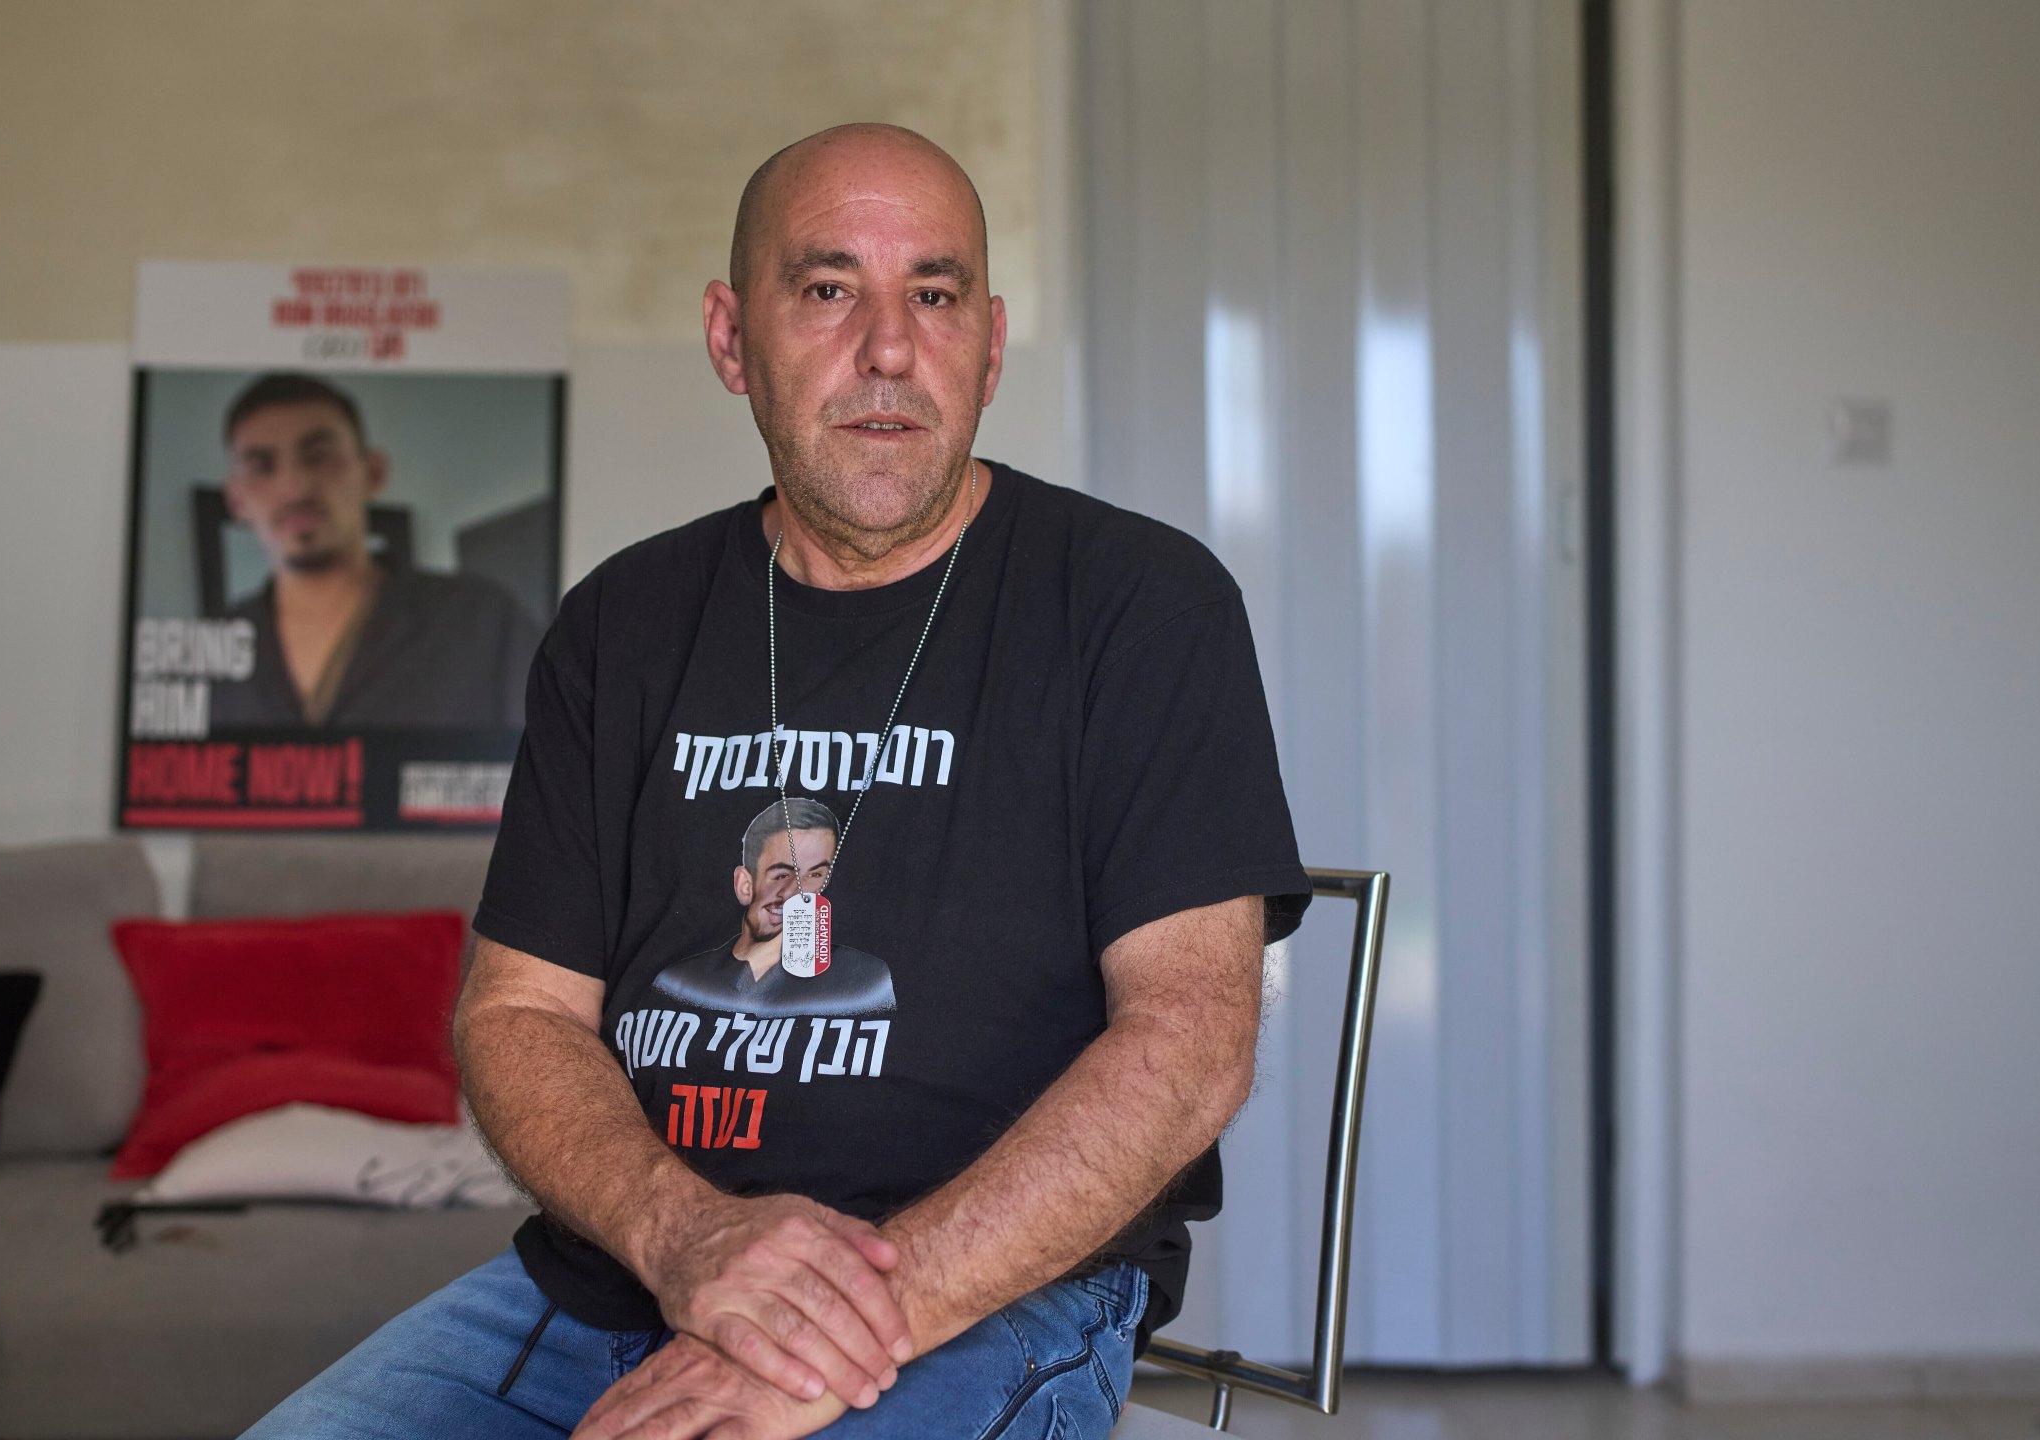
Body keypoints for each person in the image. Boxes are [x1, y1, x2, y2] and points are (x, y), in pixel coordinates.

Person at [244, 123, 1308, 1440]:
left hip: (984, 1290)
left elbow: (1191, 1042)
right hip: (622, 1275)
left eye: (935, 294)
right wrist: (683, 1236)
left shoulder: (1139, 604)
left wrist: (845, 1319)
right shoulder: (622, 623)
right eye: (825, 289)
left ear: (989, 343)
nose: (889, 347)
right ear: (730, 338)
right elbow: (518, 1013)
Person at [204, 371, 540, 731]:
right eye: (261, 467)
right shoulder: (208, 651)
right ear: (236, 500)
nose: (295, 487)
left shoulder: (483, 621)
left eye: (319, 456)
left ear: (373, 473)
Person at [650, 799, 897, 1019]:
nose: (793, 893)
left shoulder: (865, 979)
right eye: (781, 875)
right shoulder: (680, 981)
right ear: (745, 885)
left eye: (814, 875)